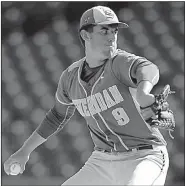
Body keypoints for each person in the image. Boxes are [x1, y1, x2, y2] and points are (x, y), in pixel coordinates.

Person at [4, 6, 174, 185]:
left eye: (114, 31)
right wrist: (25, 151)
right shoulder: (70, 77)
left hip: (144, 157)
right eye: (104, 31)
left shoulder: (120, 62)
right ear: (86, 35)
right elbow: (56, 117)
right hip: (102, 161)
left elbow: (147, 68)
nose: (112, 37)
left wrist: (143, 90)